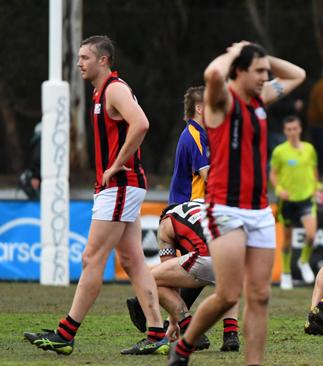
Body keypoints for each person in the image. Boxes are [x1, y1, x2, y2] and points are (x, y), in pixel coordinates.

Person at [24, 35, 167, 355]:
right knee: (131, 260)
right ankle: (157, 333)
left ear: (104, 60)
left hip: (120, 184)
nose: (80, 63)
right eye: (79, 57)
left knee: (92, 258)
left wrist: (116, 164)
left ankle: (66, 333)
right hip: (119, 186)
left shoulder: (114, 88)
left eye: (86, 57)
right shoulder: (100, 92)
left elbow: (141, 124)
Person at [167, 41, 305, 366]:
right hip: (225, 208)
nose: (264, 76)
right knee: (228, 294)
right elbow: (213, 72)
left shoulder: (260, 99)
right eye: (257, 71)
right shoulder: (220, 100)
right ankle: (185, 345)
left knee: (260, 296)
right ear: (239, 71)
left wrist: (262, 56)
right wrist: (236, 51)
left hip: (258, 210)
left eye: (265, 72)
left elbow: (297, 75)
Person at [125, 201, 240, 352]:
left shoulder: (166, 221)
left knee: (149, 280)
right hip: (239, 255)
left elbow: (169, 280)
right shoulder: (203, 206)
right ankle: (231, 334)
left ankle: (186, 327)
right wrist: (173, 322)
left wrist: (175, 320)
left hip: (206, 256)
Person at [270, 115, 320, 289]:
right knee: (287, 239)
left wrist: (316, 187)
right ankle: (285, 273)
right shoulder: (279, 151)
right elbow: (273, 174)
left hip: (306, 198)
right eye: (289, 129)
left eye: (295, 128)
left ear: (300, 129)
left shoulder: (309, 149)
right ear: (285, 131)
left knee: (311, 234)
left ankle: (303, 260)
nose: (292, 132)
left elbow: (314, 170)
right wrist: (279, 190)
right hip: (287, 201)